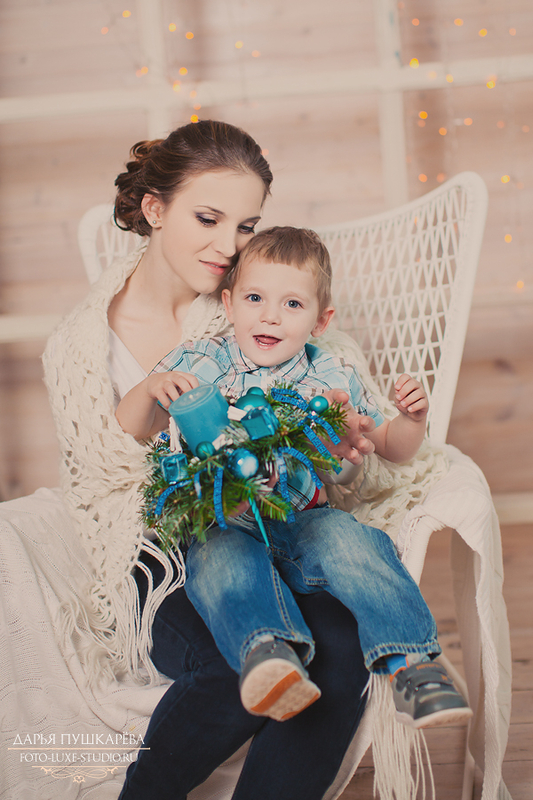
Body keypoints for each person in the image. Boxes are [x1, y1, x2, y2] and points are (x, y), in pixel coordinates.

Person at [32, 120, 380, 800]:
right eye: (208, 218)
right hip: (160, 552)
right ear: (155, 208)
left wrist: (342, 437)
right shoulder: (79, 345)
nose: (229, 246)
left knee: (342, 649)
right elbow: (101, 484)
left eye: (246, 226)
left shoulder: (248, 306)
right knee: (234, 663)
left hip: (268, 526)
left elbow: (325, 391)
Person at [117, 225, 473, 731]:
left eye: (292, 304)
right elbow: (130, 427)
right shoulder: (201, 360)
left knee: (354, 545)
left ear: (320, 320)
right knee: (219, 563)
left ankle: (413, 665)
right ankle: (269, 657)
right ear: (229, 304)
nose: (270, 316)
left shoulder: (331, 376)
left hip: (305, 514)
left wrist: (411, 420)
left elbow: (389, 446)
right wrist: (151, 386)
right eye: (255, 298)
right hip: (226, 517)